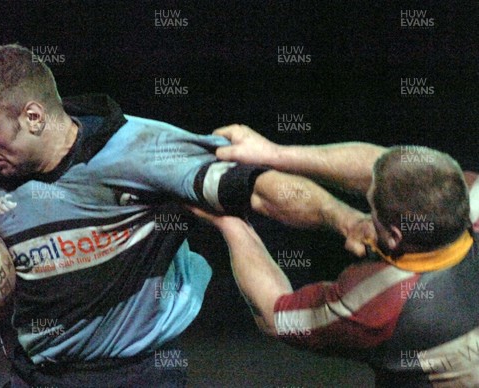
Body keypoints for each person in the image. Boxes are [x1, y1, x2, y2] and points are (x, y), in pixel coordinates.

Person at [0, 45, 373, 387]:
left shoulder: (139, 150)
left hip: (139, 374)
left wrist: (344, 219)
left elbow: (260, 188)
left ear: (33, 117)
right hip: (34, 375)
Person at [194, 124, 479, 386]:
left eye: (372, 207)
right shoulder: (464, 200)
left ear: (394, 236)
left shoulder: (377, 305)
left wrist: (229, 222)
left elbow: (275, 314)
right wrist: (273, 153)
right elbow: (398, 171)